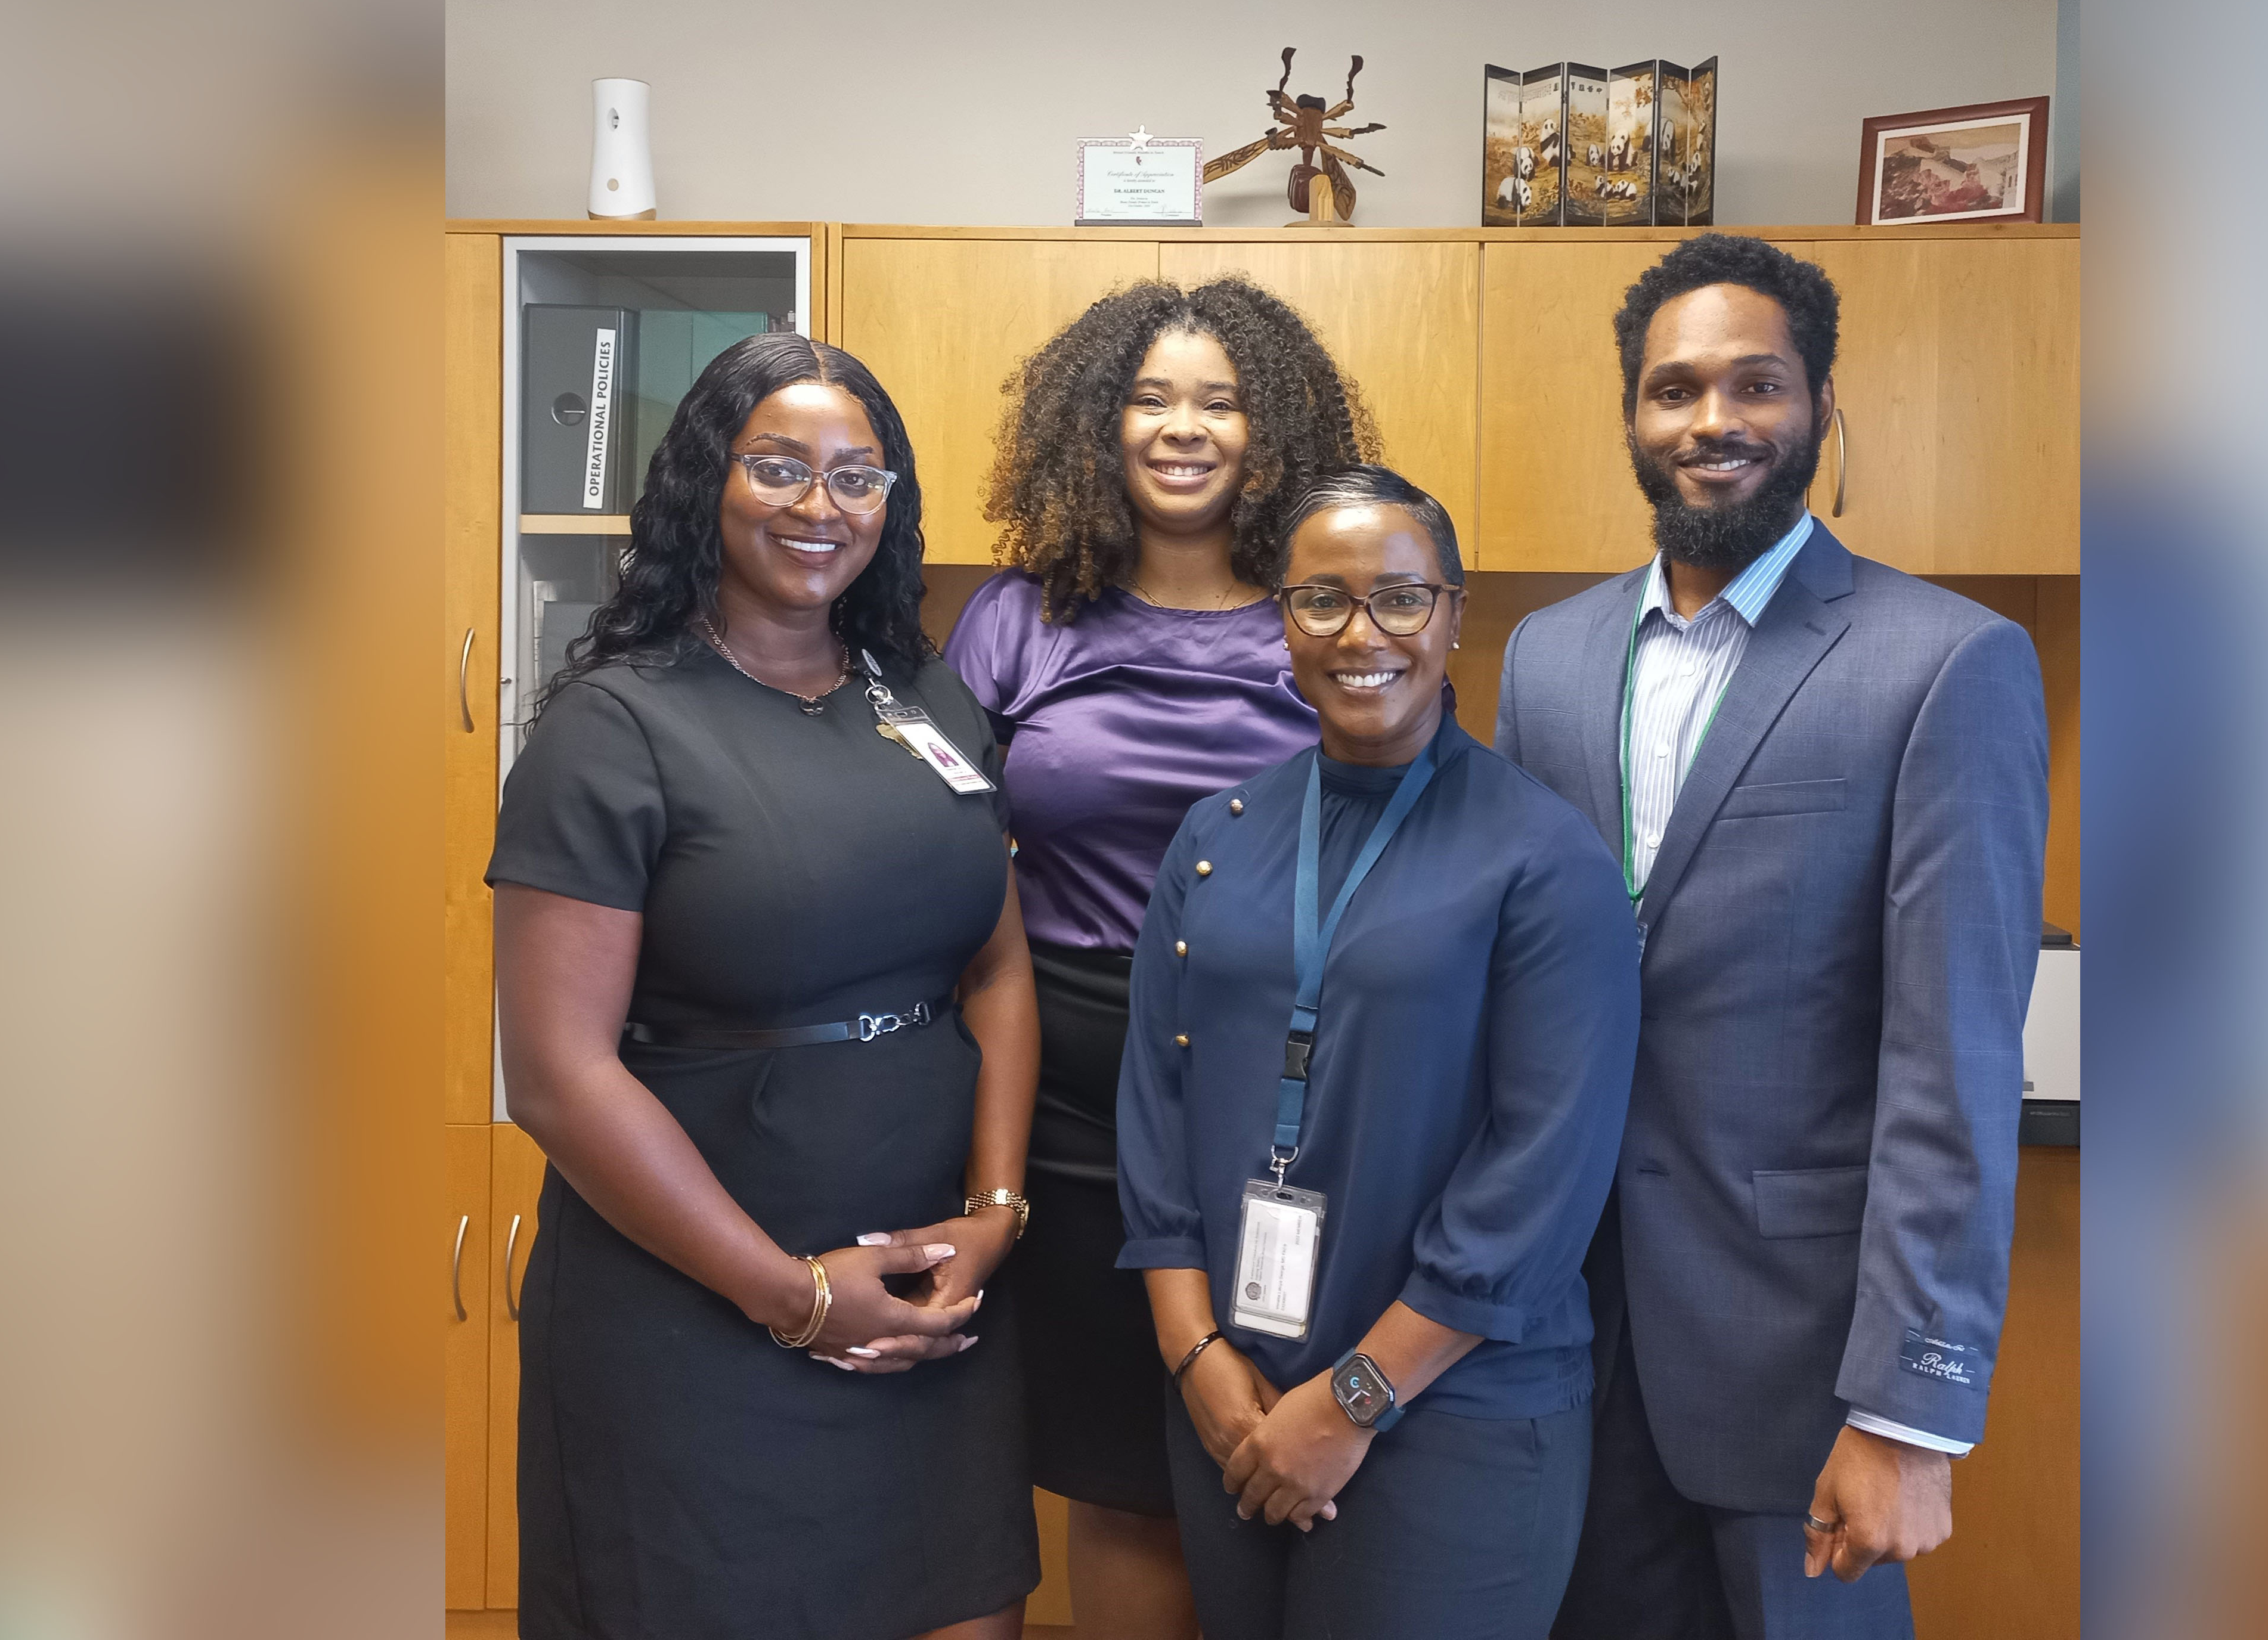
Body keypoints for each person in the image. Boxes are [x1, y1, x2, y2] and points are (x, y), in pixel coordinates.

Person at [1494, 237, 2049, 1640]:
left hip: (1798, 1361)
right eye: (1671, 390)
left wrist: (1908, 1407)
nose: (1711, 422)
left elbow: (1952, 1065)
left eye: (1754, 384)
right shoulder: (1545, 659)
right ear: (1631, 417)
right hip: (1558, 1336)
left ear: (1817, 406)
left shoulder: (1942, 661)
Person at [489, 333, 1042, 1640]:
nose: (820, 506)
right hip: (697, 1305)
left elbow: (996, 958)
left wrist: (998, 1203)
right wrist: (788, 1296)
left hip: (931, 1295)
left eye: (859, 476)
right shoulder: (612, 728)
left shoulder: (922, 693)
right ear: (707, 483)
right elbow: (560, 1078)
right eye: (780, 468)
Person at [1117, 467, 1641, 1640]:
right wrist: (1195, 1355)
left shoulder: (1541, 859)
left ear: (1454, 616)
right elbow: (1155, 1105)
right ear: (1281, 621)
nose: (1362, 635)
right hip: (1232, 1400)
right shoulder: (1215, 838)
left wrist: (1352, 1402)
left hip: (1450, 1412)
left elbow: (1542, 1177)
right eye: (1321, 600)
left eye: (1401, 600)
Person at [944, 278, 1370, 1640]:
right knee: (1124, 1474)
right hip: (1062, 1088)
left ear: (1275, 428)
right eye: (1149, 398)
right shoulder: (1016, 622)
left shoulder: (1321, 617)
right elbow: (941, 863)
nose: (1182, 429)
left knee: (1276, 1434)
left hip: (1283, 1076)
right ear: (1095, 424)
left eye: (1220, 401)